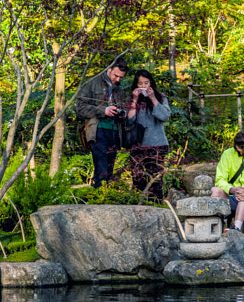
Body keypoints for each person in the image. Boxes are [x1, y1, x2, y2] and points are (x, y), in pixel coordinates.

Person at [72, 60, 131, 187]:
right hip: (98, 131)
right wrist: (103, 110)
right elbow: (80, 108)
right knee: (102, 170)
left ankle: (104, 197)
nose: (118, 79)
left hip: (115, 133)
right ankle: (99, 199)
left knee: (109, 170)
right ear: (108, 69)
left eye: (121, 77)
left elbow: (123, 108)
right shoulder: (92, 83)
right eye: (116, 75)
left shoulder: (119, 90)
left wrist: (123, 114)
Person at [123, 70, 173, 201]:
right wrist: (134, 99)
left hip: (157, 145)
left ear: (151, 83)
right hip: (138, 145)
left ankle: (156, 206)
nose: (143, 86)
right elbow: (129, 121)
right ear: (136, 85)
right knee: (138, 180)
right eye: (140, 83)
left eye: (146, 83)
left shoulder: (160, 97)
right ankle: (139, 208)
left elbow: (164, 116)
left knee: (156, 181)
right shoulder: (133, 99)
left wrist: (153, 98)